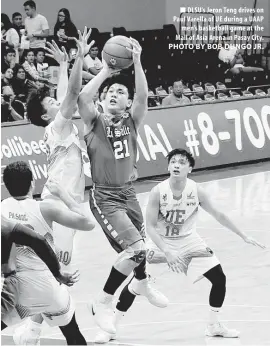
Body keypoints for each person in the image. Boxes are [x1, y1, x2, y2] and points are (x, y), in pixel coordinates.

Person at [78, 37, 168, 341]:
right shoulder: (93, 121)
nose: (116, 94)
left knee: (136, 253)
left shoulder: (132, 120)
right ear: (102, 100)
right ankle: (102, 300)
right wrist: (106, 71)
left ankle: (141, 281)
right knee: (137, 249)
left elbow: (142, 96)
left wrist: (138, 62)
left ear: (127, 102)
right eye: (111, 92)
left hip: (129, 193)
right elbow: (81, 98)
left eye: (121, 92)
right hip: (105, 197)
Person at [12, 28, 94, 345]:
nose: (55, 102)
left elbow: (62, 97)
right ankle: (32, 329)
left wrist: (61, 65)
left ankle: (31, 330)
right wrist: (77, 58)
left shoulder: (56, 125)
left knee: (53, 272)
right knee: (56, 274)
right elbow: (71, 95)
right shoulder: (59, 125)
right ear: (47, 113)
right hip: (58, 205)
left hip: (58, 204)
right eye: (50, 102)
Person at [144, 148, 265, 338]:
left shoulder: (196, 190)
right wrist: (166, 250)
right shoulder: (157, 192)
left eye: (182, 162)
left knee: (219, 278)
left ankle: (213, 325)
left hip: (188, 240)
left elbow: (219, 214)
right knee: (138, 283)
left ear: (190, 169)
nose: (176, 164)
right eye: (173, 161)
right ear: (168, 166)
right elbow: (149, 227)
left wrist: (243, 236)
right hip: (161, 242)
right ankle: (111, 324)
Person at [1, 161, 94, 345]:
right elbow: (88, 223)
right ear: (32, 183)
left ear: (5, 185)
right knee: (73, 333)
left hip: (16, 292)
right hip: (49, 288)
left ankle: (30, 333)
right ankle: (31, 333)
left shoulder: (2, 209)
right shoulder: (46, 208)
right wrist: (63, 194)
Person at [1, 215, 78, 327]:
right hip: (12, 285)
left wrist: (57, 274)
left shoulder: (4, 225)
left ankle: (32, 332)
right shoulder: (5, 224)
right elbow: (38, 241)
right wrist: (57, 274)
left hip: (9, 286)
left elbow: (38, 241)